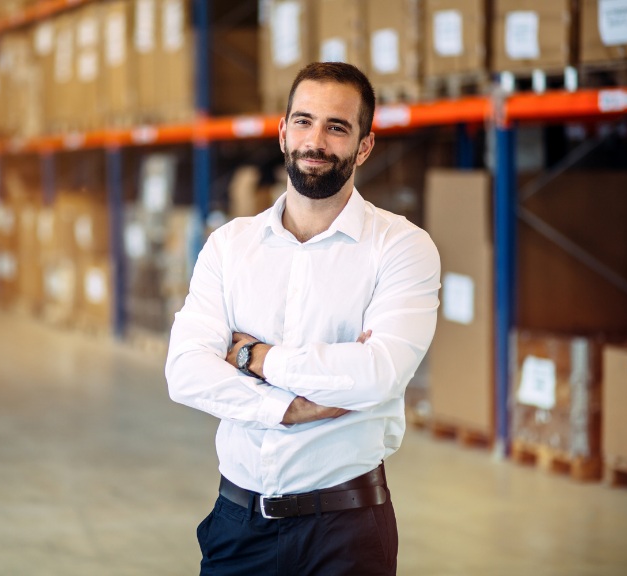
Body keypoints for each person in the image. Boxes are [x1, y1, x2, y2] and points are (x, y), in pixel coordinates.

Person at [165, 62, 441, 575]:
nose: (316, 140)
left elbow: (377, 375)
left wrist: (255, 356)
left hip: (347, 531)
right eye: (304, 121)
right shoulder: (230, 246)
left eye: (337, 127)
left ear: (364, 146)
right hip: (237, 526)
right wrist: (289, 409)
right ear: (282, 131)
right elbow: (184, 373)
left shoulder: (401, 248)